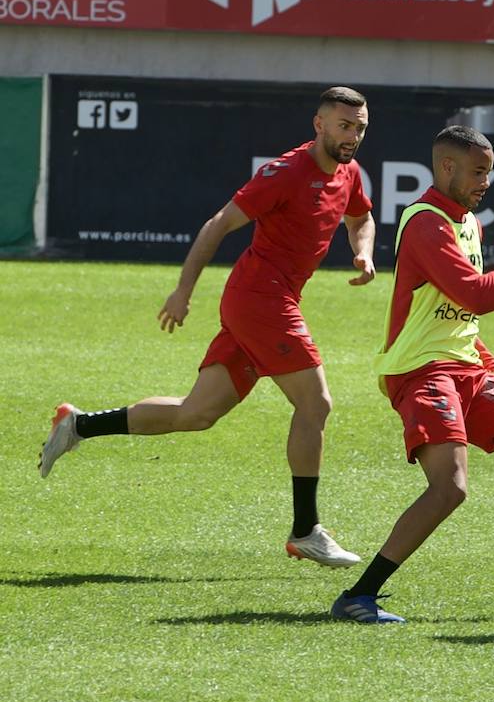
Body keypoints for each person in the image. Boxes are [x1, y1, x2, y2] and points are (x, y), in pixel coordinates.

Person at [40, 86, 378, 568]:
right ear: (319, 124)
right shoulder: (285, 172)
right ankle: (306, 530)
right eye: (345, 126)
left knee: (195, 414)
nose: (353, 136)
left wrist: (362, 251)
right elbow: (219, 223)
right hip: (261, 299)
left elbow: (361, 217)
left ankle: (78, 425)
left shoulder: (349, 171)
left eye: (361, 127)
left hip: (262, 302)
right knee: (316, 402)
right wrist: (183, 291)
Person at [331, 124, 494, 625]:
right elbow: (477, 295)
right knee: (450, 488)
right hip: (421, 372)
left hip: (468, 368)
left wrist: (493, 370)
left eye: (490, 173)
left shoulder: (467, 223)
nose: (486, 182)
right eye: (479, 171)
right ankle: (358, 595)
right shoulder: (426, 221)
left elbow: (460, 318)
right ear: (446, 167)